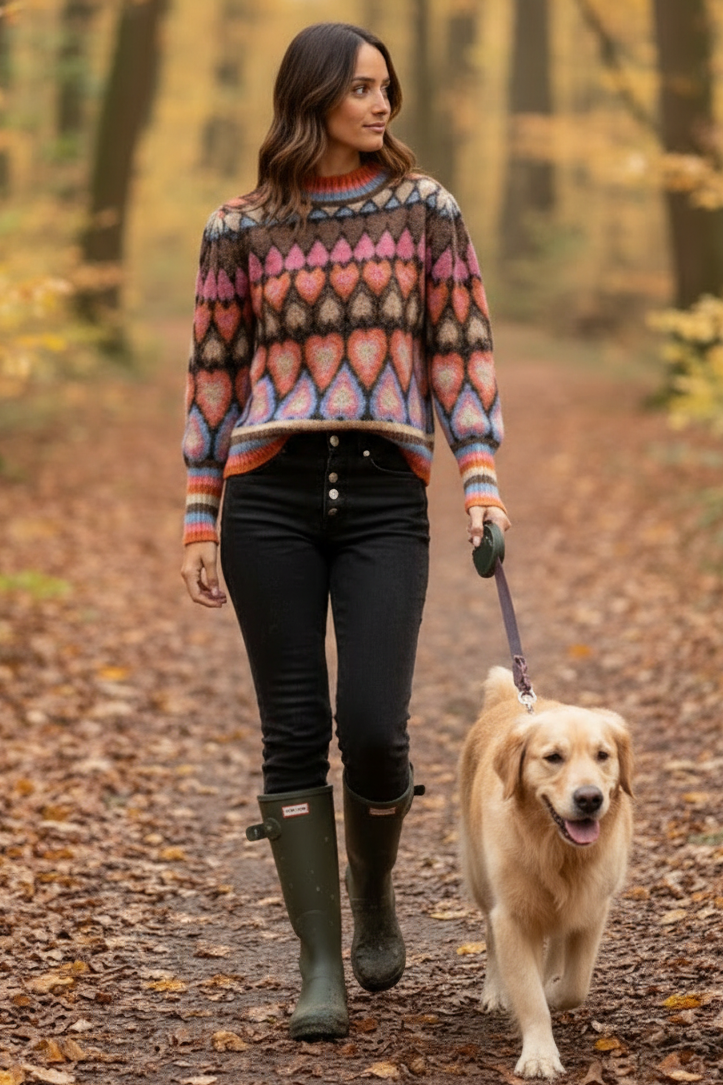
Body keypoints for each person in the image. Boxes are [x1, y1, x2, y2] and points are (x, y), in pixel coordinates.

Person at [180, 21, 510, 1042]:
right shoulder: (237, 226)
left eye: (387, 87)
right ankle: (319, 960)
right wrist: (200, 510)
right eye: (362, 87)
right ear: (311, 95)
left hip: (380, 495)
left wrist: (482, 481)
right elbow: (213, 374)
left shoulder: (425, 211)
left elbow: (459, 346)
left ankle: (371, 894)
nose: (381, 105)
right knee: (291, 730)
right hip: (268, 493)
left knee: (373, 725)